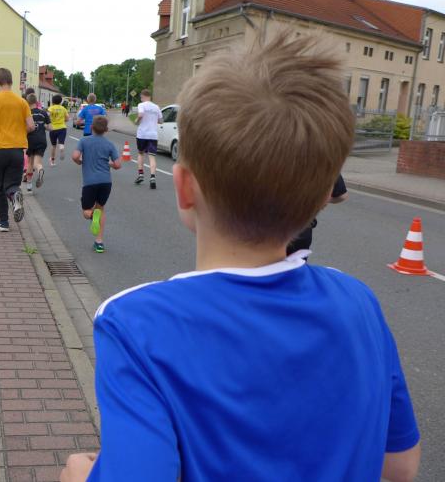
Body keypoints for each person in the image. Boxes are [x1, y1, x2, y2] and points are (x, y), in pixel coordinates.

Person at [60, 33, 420, 482]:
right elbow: (400, 465)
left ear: (184, 187)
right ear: (321, 199)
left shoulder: (134, 324)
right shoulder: (359, 302)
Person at [0, 67, 35, 231]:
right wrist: (19, 133)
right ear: (11, 81)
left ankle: (3, 222)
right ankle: (14, 194)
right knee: (12, 183)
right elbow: (31, 126)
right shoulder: (22, 102)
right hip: (17, 150)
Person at [72, 116, 121, 253]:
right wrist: (109, 164)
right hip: (106, 182)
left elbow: (75, 156)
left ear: (91, 127)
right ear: (106, 130)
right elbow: (118, 164)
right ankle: (99, 242)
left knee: (86, 212)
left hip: (90, 182)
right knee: (101, 209)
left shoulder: (84, 141)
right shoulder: (110, 144)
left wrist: (80, 162)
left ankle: (93, 215)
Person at [287, 174, 348, 255]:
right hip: (302, 227)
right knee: (297, 260)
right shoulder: (322, 166)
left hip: (273, 227)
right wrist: (318, 201)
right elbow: (342, 196)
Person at [134, 88, 163, 189]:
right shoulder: (156, 107)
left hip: (142, 134)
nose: (141, 99)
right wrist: (153, 119)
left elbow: (141, 114)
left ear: (143, 96)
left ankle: (141, 174)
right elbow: (161, 121)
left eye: (141, 98)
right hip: (153, 135)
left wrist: (137, 120)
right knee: (152, 156)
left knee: (141, 153)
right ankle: (152, 177)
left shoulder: (141, 105)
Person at [25, 93, 51, 192]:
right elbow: (50, 128)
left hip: (30, 140)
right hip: (41, 140)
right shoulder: (43, 113)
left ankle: (29, 185)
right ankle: (40, 170)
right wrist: (43, 126)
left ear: (27, 102)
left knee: (30, 163)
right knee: (37, 163)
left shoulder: (26, 114)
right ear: (36, 102)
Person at [47, 94, 70, 165]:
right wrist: (62, 120)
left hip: (53, 128)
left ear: (52, 101)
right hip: (62, 128)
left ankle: (52, 161)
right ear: (60, 101)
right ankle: (61, 148)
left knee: (53, 145)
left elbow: (47, 116)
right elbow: (67, 118)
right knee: (61, 143)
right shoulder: (63, 108)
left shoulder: (51, 108)